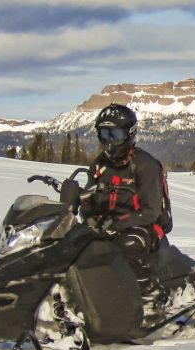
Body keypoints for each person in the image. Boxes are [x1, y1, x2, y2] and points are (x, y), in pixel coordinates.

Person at [80, 103, 173, 323]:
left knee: (127, 246)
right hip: (110, 225)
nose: (110, 140)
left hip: (147, 226)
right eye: (105, 133)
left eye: (115, 134)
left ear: (129, 134)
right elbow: (90, 197)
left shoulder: (144, 165)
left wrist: (118, 223)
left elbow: (151, 210)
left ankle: (151, 298)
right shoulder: (99, 165)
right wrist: (82, 205)